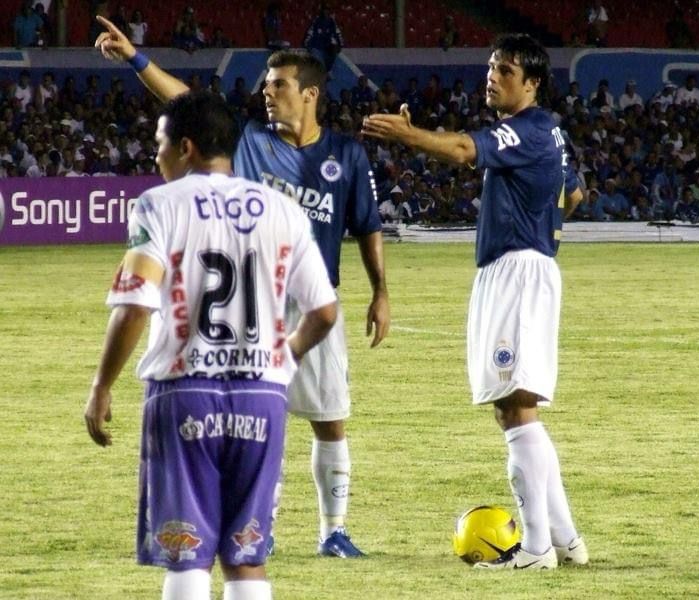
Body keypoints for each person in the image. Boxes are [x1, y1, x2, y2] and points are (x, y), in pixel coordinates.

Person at [95, 16, 390, 558]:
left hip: (318, 295)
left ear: (309, 93)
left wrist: (381, 292)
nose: (265, 93)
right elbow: (188, 100)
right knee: (259, 416)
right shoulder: (249, 140)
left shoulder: (345, 154)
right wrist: (136, 58)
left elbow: (367, 227)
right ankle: (260, 528)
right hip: (257, 300)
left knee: (330, 417)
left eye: (276, 85)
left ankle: (333, 531)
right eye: (264, 84)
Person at [83, 90, 338, 600]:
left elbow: (135, 305)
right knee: (247, 558)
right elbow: (324, 311)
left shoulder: (158, 205)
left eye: (160, 144)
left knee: (187, 556)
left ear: (186, 147)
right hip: (262, 398)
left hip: (184, 393)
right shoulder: (281, 210)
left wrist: (102, 385)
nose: (155, 156)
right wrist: (283, 354)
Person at [363, 33, 586, 570]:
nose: (492, 76)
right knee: (517, 408)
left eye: (505, 70)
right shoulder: (550, 133)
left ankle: (535, 550)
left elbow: (465, 149)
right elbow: (575, 194)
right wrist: (541, 220)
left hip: (515, 269)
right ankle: (565, 540)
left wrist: (409, 134)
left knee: (515, 409)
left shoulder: (526, 129)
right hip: (528, 265)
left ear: (530, 83)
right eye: (491, 67)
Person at [303, 1, 343, 72]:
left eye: (327, 10)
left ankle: (328, 71)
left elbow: (337, 33)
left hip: (326, 47)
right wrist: (307, 43)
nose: (325, 11)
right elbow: (310, 32)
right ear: (321, 10)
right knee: (317, 61)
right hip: (316, 47)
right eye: (324, 9)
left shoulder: (331, 21)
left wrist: (341, 44)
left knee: (333, 49)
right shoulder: (316, 21)